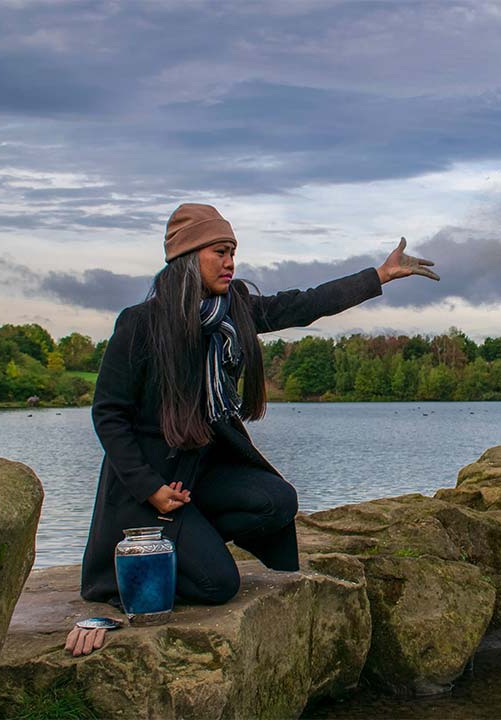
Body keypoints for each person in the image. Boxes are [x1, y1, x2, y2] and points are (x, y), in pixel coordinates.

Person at [65, 203, 437, 656]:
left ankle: (191, 536)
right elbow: (108, 414)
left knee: (277, 500)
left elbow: (302, 305)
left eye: (233, 252)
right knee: (219, 584)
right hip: (151, 491)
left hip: (199, 479)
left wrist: (378, 275)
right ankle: (150, 563)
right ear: (187, 257)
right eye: (220, 251)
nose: (230, 262)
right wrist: (150, 488)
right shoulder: (140, 324)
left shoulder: (232, 311)